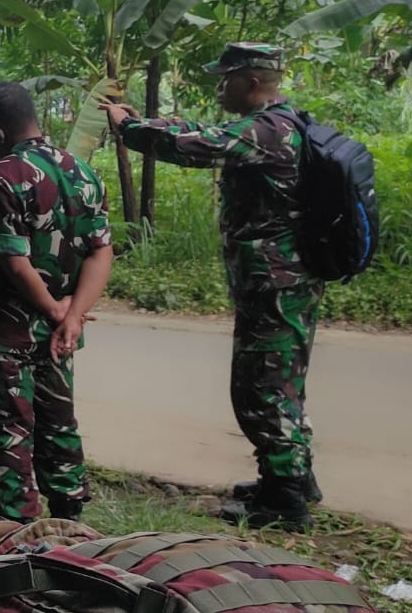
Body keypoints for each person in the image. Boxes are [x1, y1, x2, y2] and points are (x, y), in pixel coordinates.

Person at [104, 42, 322, 532]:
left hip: (274, 285)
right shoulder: (277, 124)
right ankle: (288, 478)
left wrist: (129, 129)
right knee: (278, 383)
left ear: (252, 81)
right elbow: (201, 131)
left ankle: (286, 502)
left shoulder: (268, 130)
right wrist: (148, 122)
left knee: (264, 389)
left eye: (226, 78)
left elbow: (195, 147)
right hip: (278, 282)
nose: (220, 86)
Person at [0, 83, 112, 523]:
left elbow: (14, 261)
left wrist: (52, 309)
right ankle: (70, 521)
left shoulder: (3, 175)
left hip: (8, 330)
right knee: (59, 421)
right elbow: (101, 251)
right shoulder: (82, 171)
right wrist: (72, 316)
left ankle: (18, 530)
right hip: (60, 332)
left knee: (9, 430)